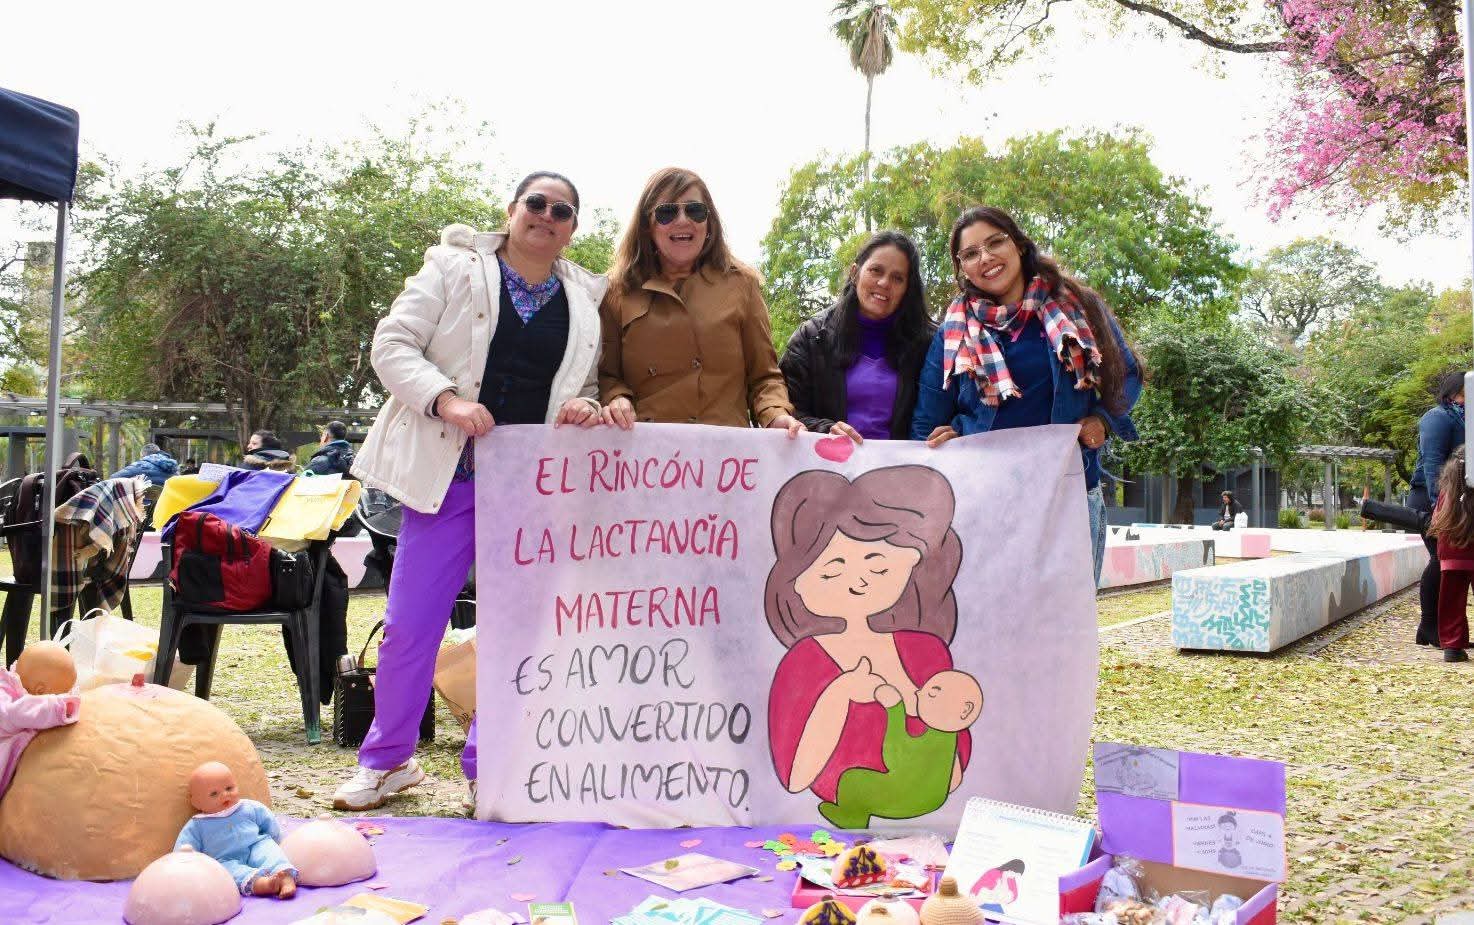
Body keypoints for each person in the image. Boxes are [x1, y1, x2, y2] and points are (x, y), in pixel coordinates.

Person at [332, 171, 605, 812]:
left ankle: (492, 760)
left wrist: (584, 409)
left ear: (572, 228)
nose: (546, 216)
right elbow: (391, 344)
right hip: (447, 476)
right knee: (409, 627)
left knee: (517, 630)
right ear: (512, 210)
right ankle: (388, 760)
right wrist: (446, 400)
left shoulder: (587, 301)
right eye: (535, 203)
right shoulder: (453, 267)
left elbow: (586, 383)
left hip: (531, 488)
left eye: (561, 210)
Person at [911, 206, 1143, 586]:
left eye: (995, 242)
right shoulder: (953, 331)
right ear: (962, 268)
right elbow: (926, 421)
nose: (985, 258)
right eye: (970, 254)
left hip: (1067, 496)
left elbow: (1128, 375)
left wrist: (1102, 420)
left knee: (1066, 632)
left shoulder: (1077, 307)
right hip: (984, 502)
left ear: (1018, 244)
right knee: (988, 632)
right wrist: (944, 442)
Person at [765, 466, 971, 821]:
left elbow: (952, 777)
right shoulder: (805, 661)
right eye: (831, 571)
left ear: (911, 567)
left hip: (929, 814)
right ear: (797, 580)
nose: (857, 582)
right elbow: (797, 779)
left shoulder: (927, 652)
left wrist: (926, 707)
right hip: (836, 819)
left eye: (879, 569)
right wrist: (840, 693)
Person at [597, 166, 801, 435]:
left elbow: (764, 376)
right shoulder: (615, 291)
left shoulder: (742, 284)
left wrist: (775, 415)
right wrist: (616, 399)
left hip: (725, 458)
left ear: (709, 223)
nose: (683, 220)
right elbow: (607, 376)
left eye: (695, 210)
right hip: (646, 458)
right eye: (667, 212)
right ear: (648, 226)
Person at [779, 231, 935, 442]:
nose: (884, 283)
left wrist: (950, 430)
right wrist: (827, 430)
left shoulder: (929, 345)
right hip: (829, 468)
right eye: (875, 270)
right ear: (855, 272)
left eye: (898, 278)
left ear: (908, 288)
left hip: (901, 471)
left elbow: (942, 412)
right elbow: (785, 413)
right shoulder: (812, 337)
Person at [1409, 371, 1465, 647]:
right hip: (1433, 498)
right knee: (1441, 560)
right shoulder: (1438, 417)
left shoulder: (1466, 418)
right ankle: (1429, 626)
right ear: (1457, 391)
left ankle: (1446, 629)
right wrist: (1437, 507)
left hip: (1459, 501)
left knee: (1457, 564)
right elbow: (1432, 465)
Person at [1428, 446, 1474, 662]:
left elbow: (1436, 522)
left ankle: (1453, 647)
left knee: (1451, 600)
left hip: (1451, 551)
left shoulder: (1447, 494)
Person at [112, 442, 178, 487]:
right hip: (165, 506)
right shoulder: (173, 469)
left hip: (141, 506)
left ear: (143, 456)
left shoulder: (139, 466)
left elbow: (113, 478)